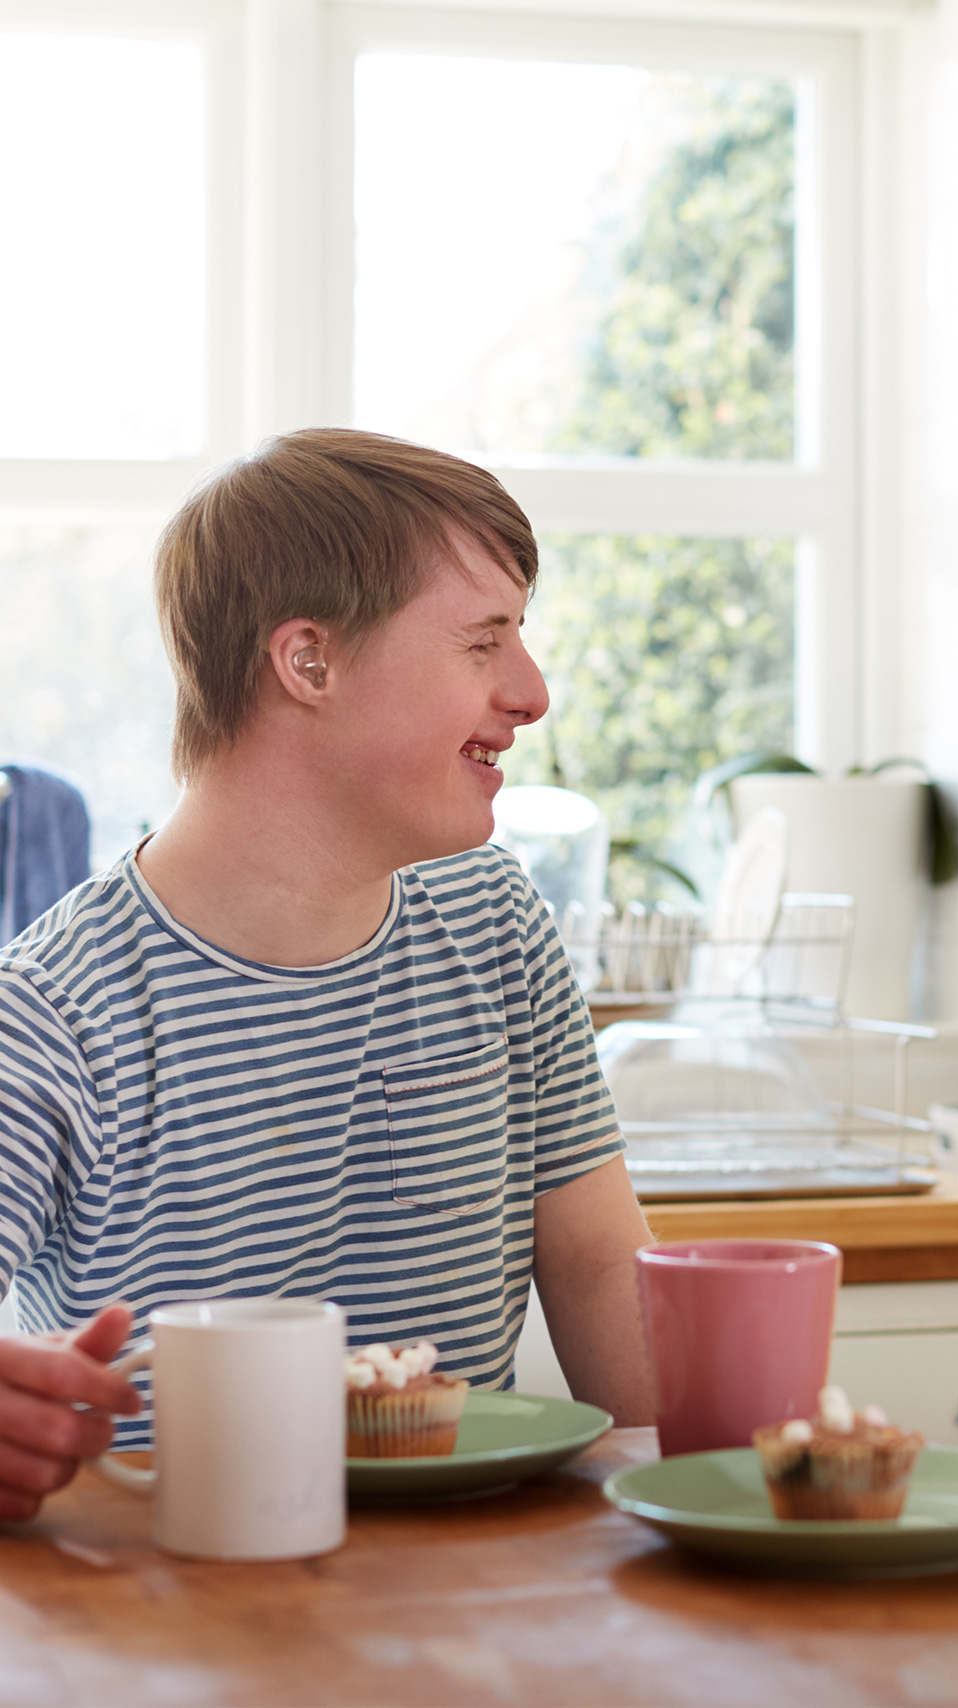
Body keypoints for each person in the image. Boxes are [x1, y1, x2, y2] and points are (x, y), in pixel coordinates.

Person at [0, 429, 655, 1517]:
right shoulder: (54, 1011)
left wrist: (734, 1491)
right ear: (309, 661)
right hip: (169, 1616)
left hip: (468, 1607)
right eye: (483, 642)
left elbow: (597, 1267)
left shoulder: (493, 922)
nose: (533, 693)